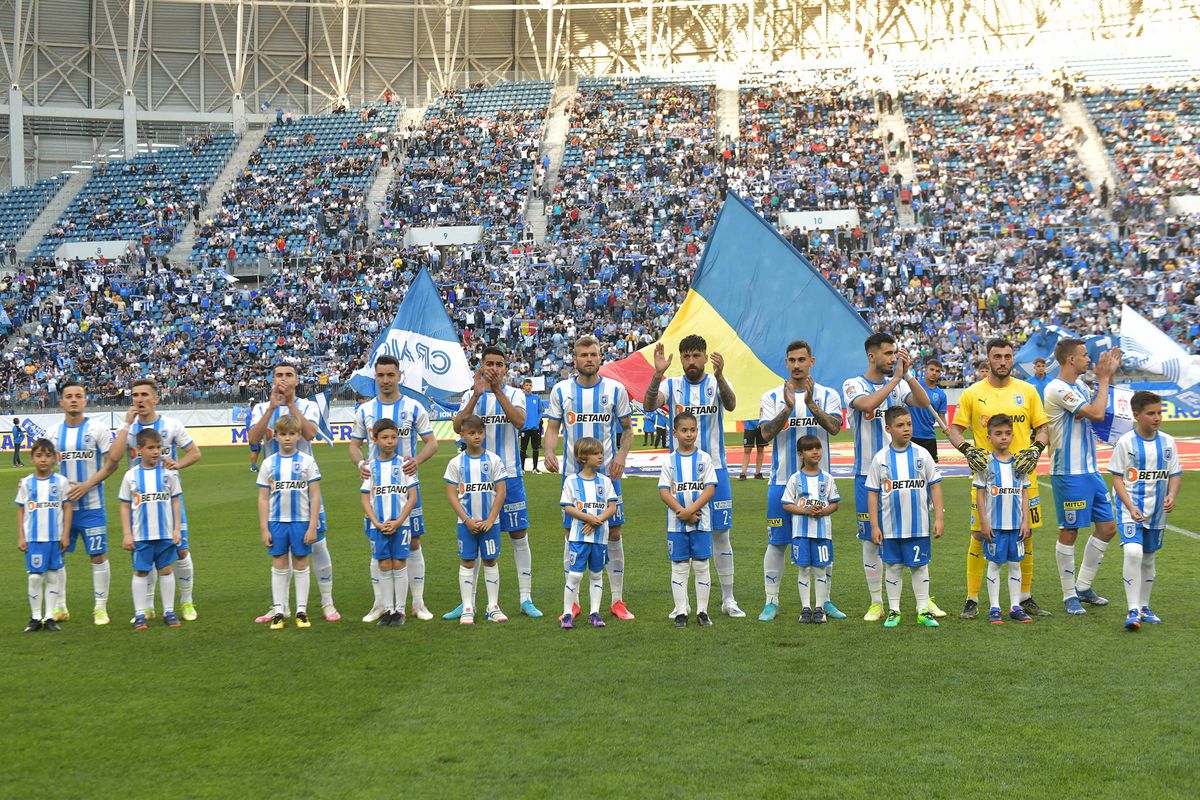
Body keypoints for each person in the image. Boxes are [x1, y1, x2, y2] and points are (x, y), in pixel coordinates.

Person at [946, 338, 1051, 620]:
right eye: (997, 356)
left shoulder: (1027, 391)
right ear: (988, 359)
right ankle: (972, 598)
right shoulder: (972, 393)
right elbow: (955, 430)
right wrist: (968, 449)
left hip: (1023, 477)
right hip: (987, 478)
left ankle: (1024, 597)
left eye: (1007, 356)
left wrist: (1035, 448)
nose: (1003, 361)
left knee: (1025, 536)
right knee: (980, 534)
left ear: (1013, 359)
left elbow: (1043, 429)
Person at [843, 332, 942, 623]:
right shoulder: (854, 384)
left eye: (894, 352)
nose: (892, 358)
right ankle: (877, 602)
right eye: (888, 353)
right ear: (872, 356)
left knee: (914, 534)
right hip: (867, 476)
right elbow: (866, 406)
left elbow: (923, 403)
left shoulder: (898, 384)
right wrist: (895, 381)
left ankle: (924, 601)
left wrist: (908, 377)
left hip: (905, 475)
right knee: (871, 540)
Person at [644, 335, 743, 617]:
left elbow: (732, 404)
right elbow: (650, 404)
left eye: (696, 355)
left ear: (705, 356)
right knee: (682, 534)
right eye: (686, 356)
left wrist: (721, 375)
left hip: (716, 470)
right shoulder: (672, 385)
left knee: (721, 535)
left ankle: (728, 599)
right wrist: (657, 374)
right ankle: (682, 605)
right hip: (679, 473)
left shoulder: (716, 382)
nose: (691, 361)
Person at [543, 335, 635, 620]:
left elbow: (628, 429)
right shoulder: (561, 391)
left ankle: (617, 601)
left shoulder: (615, 390)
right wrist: (549, 452)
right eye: (583, 355)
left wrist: (620, 457)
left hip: (607, 476)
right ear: (575, 359)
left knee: (614, 533)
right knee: (572, 536)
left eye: (593, 354)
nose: (589, 359)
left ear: (600, 357)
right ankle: (573, 603)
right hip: (573, 477)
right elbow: (552, 428)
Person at [446, 346, 540, 619]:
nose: (495, 368)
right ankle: (469, 602)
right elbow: (457, 426)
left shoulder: (514, 393)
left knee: (518, 535)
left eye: (500, 364)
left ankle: (526, 598)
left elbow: (522, 422)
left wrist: (497, 391)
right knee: (475, 537)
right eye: (490, 363)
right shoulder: (469, 394)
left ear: (506, 368)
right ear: (481, 366)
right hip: (475, 479)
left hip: (508, 476)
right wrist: (476, 395)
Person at [348, 355, 439, 622]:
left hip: (406, 488)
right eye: (381, 375)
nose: (386, 380)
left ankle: (417, 603)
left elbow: (431, 443)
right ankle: (380, 604)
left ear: (399, 376)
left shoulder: (413, 407)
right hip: (376, 489)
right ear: (374, 378)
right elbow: (354, 445)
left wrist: (416, 461)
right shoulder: (364, 411)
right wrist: (360, 463)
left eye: (390, 375)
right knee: (376, 544)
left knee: (413, 542)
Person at [759, 339, 845, 621]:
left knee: (821, 542)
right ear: (786, 363)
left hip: (820, 485)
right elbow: (765, 434)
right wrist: (788, 408)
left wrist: (810, 405)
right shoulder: (772, 396)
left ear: (812, 362)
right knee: (777, 543)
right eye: (792, 360)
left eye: (802, 360)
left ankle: (825, 601)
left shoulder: (828, 394)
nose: (797, 365)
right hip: (782, 483)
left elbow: (834, 428)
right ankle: (771, 601)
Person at [249, 362, 339, 622]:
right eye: (279, 375)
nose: (284, 379)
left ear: (297, 380)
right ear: (272, 379)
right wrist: (272, 409)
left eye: (289, 375)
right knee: (280, 552)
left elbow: (310, 434)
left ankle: (327, 602)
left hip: (303, 488)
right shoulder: (261, 409)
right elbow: (254, 439)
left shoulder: (308, 406)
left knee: (318, 544)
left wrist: (290, 404)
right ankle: (281, 607)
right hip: (277, 492)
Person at [45, 381, 133, 626]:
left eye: (78, 396)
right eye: (68, 396)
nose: (73, 400)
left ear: (85, 401)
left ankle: (100, 608)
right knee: (57, 555)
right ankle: (60, 606)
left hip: (92, 506)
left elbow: (112, 463)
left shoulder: (97, 429)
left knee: (98, 556)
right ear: (61, 401)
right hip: (62, 509)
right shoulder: (52, 433)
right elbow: (46, 467)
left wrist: (87, 484)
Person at [1044, 340, 1121, 615]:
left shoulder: (1079, 387)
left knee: (1108, 527)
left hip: (1090, 470)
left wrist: (1109, 374)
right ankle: (1068, 596)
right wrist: (1102, 379)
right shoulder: (1057, 388)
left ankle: (1084, 586)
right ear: (1070, 360)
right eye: (1084, 355)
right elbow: (1096, 413)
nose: (1088, 359)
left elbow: (1099, 410)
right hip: (1068, 472)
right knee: (1070, 531)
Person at [128, 379, 203, 622]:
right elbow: (116, 455)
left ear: (156, 399)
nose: (139, 399)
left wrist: (177, 464)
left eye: (144, 394)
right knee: (144, 556)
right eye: (135, 395)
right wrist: (125, 425)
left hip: (169, 502)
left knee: (180, 551)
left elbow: (195, 452)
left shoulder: (171, 425)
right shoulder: (130, 429)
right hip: (141, 503)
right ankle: (148, 606)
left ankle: (186, 602)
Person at [1108, 391, 1183, 631]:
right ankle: (1132, 610)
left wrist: (1171, 495)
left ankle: (1144, 605)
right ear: (1137, 415)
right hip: (1129, 509)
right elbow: (1117, 478)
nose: (1157, 417)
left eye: (1159, 412)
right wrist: (1130, 506)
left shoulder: (1168, 442)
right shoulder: (1126, 442)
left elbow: (1175, 474)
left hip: (1156, 512)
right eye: (1151, 413)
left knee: (1149, 558)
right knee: (1133, 553)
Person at [865, 406, 944, 628]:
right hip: (891, 527)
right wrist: (874, 525)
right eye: (900, 425)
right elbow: (872, 492)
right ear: (888, 428)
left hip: (919, 526)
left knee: (920, 567)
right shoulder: (880, 458)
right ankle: (894, 610)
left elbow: (935, 486)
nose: (906, 429)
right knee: (893, 567)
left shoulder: (922, 454)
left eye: (909, 424)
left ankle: (922, 610)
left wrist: (939, 518)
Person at [256, 415, 322, 630]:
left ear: (299, 435)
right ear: (275, 436)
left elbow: (315, 495)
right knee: (279, 564)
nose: (287, 438)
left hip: (301, 521)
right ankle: (278, 611)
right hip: (277, 522)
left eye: (292, 434)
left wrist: (313, 525)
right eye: (283, 434)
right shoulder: (268, 463)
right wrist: (264, 528)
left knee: (301, 564)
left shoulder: (307, 461)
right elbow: (263, 498)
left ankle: (301, 611)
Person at [443, 415, 508, 625]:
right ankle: (468, 606)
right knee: (467, 561)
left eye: (480, 432)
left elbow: (501, 492)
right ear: (462, 435)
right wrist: (466, 519)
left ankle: (493, 606)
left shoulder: (494, 460)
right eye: (471, 433)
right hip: (466, 524)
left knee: (490, 560)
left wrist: (491, 518)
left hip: (490, 523)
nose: (477, 436)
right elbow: (452, 495)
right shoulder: (456, 463)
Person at [657, 411, 718, 628]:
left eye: (692, 430)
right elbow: (664, 491)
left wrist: (690, 511)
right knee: (680, 566)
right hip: (677, 524)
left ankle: (703, 610)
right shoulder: (670, 461)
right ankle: (681, 611)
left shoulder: (704, 459)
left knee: (702, 565)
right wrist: (682, 513)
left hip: (701, 521)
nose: (689, 434)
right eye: (684, 430)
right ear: (675, 433)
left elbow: (709, 489)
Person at [119, 428, 184, 630]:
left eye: (158, 447)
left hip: (165, 533)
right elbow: (124, 505)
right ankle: (140, 614)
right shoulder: (131, 476)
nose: (156, 452)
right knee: (140, 572)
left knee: (165, 570)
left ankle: (169, 611)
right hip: (141, 535)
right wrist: (127, 534)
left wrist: (177, 529)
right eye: (151, 448)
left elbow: (175, 502)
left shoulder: (168, 474)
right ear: (139, 449)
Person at [971, 414, 1034, 625]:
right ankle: (994, 607)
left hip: (1015, 526)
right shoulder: (985, 464)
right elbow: (980, 494)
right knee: (995, 565)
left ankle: (1015, 606)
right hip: (995, 526)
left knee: (1015, 564)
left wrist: (1026, 521)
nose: (1003, 438)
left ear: (1012, 435)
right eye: (998, 434)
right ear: (989, 437)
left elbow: (1025, 493)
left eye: (1007, 433)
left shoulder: (1020, 464)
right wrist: (984, 523)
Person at [360, 418, 418, 628]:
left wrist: (399, 521)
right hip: (379, 526)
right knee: (384, 565)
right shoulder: (370, 468)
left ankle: (400, 610)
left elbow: (412, 497)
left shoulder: (405, 464)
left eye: (394, 437)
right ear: (374, 439)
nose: (390, 441)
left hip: (400, 525)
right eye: (385, 437)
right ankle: (388, 609)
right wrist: (375, 522)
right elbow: (365, 498)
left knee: (400, 564)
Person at [559, 437, 619, 629]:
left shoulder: (605, 481)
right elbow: (568, 507)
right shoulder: (571, 481)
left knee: (596, 574)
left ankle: (594, 612)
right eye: (595, 453)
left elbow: (612, 507)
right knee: (575, 575)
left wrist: (597, 520)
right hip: (579, 536)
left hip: (600, 537)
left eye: (601, 452)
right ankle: (567, 613)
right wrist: (588, 518)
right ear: (583, 457)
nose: (600, 456)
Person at [780, 435, 840, 625]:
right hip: (801, 533)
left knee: (821, 570)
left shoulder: (828, 478)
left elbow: (835, 503)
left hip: (823, 533)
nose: (815, 452)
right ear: (800, 454)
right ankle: (806, 608)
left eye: (818, 448)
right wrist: (805, 511)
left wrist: (823, 512)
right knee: (804, 569)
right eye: (809, 449)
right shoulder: (795, 479)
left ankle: (820, 608)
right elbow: (787, 504)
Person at [16, 438, 71, 632]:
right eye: (39, 455)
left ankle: (49, 617)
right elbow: (21, 510)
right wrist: (21, 537)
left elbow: (67, 507)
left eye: (48, 456)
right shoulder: (26, 483)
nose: (43, 460)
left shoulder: (61, 482)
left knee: (53, 577)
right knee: (35, 578)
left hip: (55, 538)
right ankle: (35, 617)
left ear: (55, 459)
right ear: (32, 458)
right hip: (34, 539)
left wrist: (66, 535)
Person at [910, 358, 947, 462]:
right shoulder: (914, 386)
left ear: (940, 374)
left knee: (931, 472)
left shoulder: (941, 395)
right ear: (925, 370)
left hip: (929, 437)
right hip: (911, 435)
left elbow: (941, 416)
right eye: (932, 369)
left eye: (937, 371)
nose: (934, 373)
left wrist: (946, 428)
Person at [520, 379, 544, 472]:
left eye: (530, 385)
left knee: (535, 448)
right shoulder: (521, 398)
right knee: (523, 448)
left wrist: (537, 421)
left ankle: (535, 468)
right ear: (523, 386)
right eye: (527, 385)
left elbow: (540, 411)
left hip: (535, 428)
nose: (528, 387)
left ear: (532, 386)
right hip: (525, 428)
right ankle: (522, 468)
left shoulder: (536, 398)